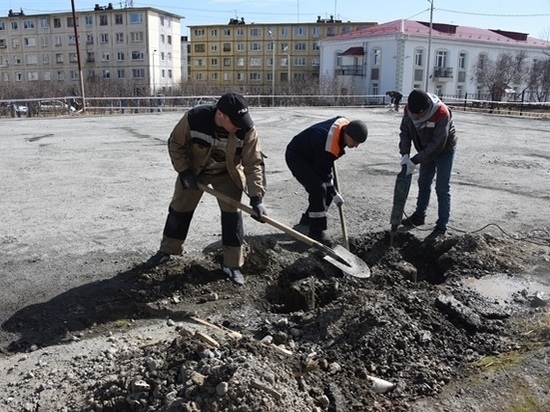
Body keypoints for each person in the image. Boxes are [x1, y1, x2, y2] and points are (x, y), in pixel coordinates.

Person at [146, 92, 267, 285]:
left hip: (228, 173)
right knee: (179, 209)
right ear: (221, 114)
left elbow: (253, 163)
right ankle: (167, 250)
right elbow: (176, 144)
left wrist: (256, 199)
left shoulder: (247, 129)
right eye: (234, 120)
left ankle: (232, 265)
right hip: (194, 171)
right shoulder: (194, 118)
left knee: (232, 216)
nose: (239, 125)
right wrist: (184, 172)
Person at [285, 117, 368, 246]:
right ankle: (316, 232)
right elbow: (322, 172)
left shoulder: (344, 125)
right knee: (319, 189)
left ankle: (308, 219)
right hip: (297, 156)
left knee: (327, 190)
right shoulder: (328, 143)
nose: (356, 146)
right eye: (355, 142)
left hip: (315, 153)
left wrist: (332, 191)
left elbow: (325, 162)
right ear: (347, 134)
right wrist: (334, 192)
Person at [399, 89, 457, 238]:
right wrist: (405, 154)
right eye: (414, 114)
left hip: (444, 148)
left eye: (418, 114)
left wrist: (416, 159)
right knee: (424, 182)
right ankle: (419, 216)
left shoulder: (441, 113)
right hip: (425, 148)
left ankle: (441, 226)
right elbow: (405, 131)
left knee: (442, 187)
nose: (415, 117)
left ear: (425, 109)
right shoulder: (409, 110)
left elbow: (438, 144)